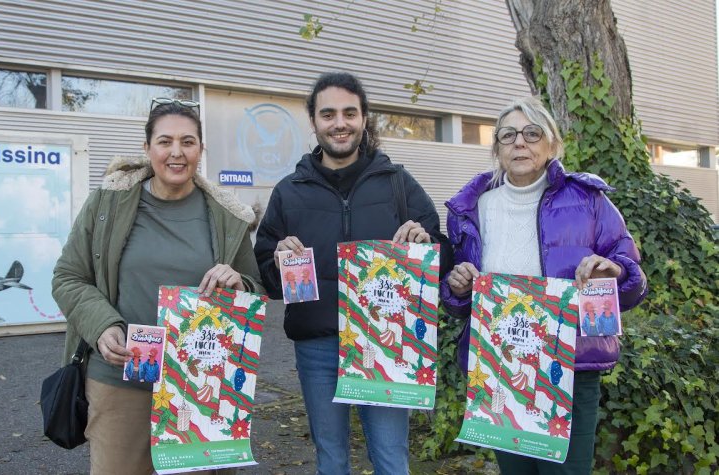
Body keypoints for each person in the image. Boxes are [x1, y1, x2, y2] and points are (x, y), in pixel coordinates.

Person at [254, 71, 451, 475]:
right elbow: (265, 277)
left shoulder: (398, 183)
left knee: (391, 458)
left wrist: (425, 244)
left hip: (385, 345)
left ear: (364, 119)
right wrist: (276, 259)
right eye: (328, 114)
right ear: (314, 121)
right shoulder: (289, 191)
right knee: (331, 459)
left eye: (349, 113)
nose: (339, 123)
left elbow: (442, 255)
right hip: (317, 347)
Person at [52, 98, 262, 475]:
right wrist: (103, 326)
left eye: (188, 141)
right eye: (165, 141)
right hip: (121, 379)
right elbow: (68, 276)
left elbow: (253, 289)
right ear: (147, 148)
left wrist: (239, 281)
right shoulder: (108, 204)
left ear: (201, 149)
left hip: (200, 381)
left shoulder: (227, 218)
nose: (176, 153)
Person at [441, 96, 648, 474]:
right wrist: (456, 288)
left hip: (569, 367)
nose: (520, 142)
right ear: (497, 148)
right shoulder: (474, 209)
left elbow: (633, 279)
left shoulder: (589, 201)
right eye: (508, 135)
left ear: (551, 144)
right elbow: (460, 301)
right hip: (500, 366)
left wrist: (615, 271)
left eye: (532, 133)